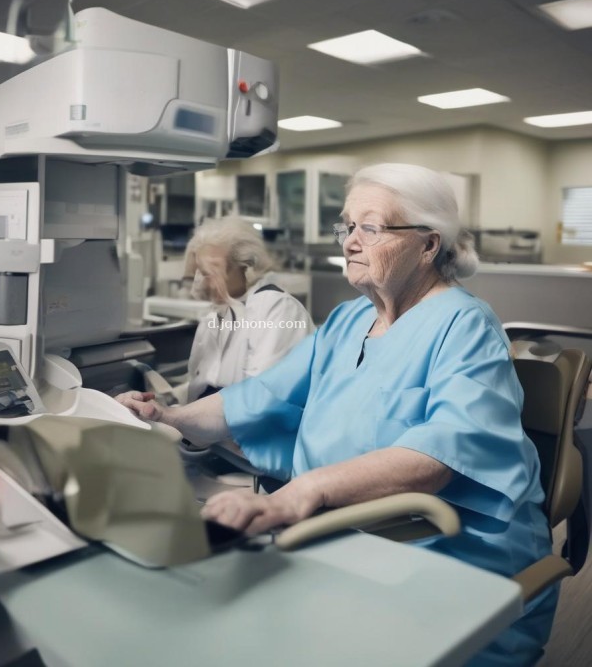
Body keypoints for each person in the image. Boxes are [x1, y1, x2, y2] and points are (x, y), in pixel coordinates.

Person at [118, 164, 555, 666]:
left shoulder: (465, 325)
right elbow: (259, 396)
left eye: (370, 228)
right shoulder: (348, 320)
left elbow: (441, 455)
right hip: (344, 539)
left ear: (428, 244)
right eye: (346, 226)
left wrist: (301, 494)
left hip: (444, 558)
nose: (349, 241)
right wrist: (171, 417)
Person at [118, 216, 314, 406]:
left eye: (208, 273)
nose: (199, 283)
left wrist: (177, 418)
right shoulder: (218, 314)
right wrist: (164, 401)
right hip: (213, 434)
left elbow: (260, 400)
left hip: (250, 437)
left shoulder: (278, 310)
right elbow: (204, 386)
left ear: (244, 268)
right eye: (198, 272)